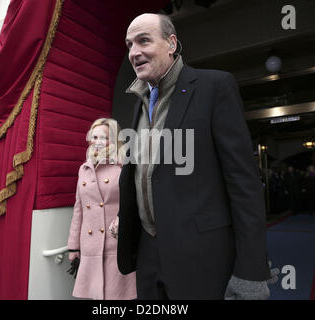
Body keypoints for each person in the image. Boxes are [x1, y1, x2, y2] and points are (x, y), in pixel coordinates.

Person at [117, 13, 271, 299]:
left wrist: (251, 271)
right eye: (129, 45)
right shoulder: (138, 103)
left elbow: (244, 185)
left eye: (144, 40)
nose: (134, 52)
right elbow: (145, 176)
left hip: (202, 258)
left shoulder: (215, 87)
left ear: (172, 43)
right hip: (148, 257)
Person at [67, 118, 136, 300]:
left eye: (103, 137)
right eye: (94, 136)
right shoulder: (84, 169)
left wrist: (122, 220)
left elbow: (133, 203)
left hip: (115, 244)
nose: (96, 142)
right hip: (91, 245)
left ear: (113, 141)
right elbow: (79, 209)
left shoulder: (124, 168)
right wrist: (73, 246)